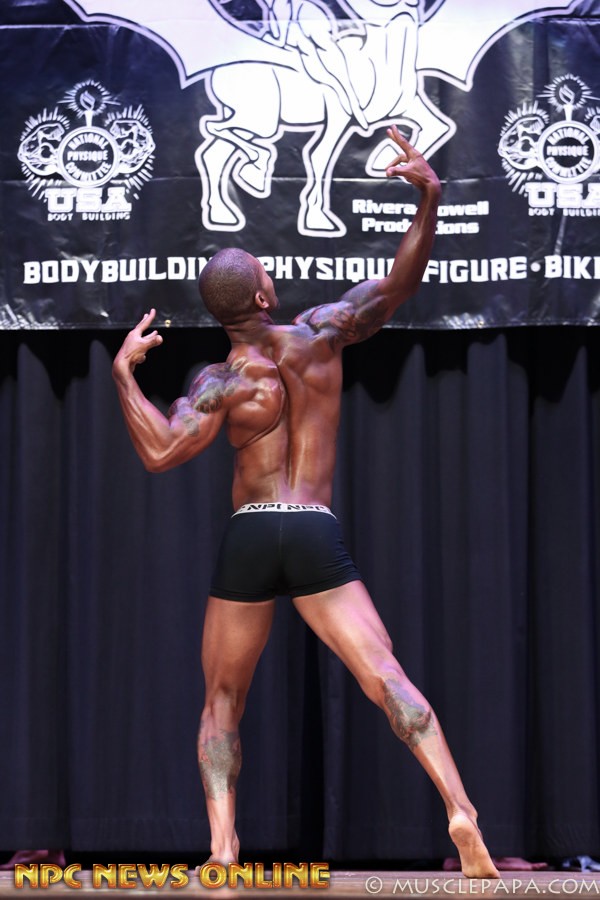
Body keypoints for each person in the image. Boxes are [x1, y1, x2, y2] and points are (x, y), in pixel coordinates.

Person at [112, 126, 499, 879]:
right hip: (313, 530)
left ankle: (223, 848)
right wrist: (429, 199)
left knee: (222, 700)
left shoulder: (219, 381)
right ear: (263, 296)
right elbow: (398, 286)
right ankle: (460, 810)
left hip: (250, 537)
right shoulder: (321, 334)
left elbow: (159, 452)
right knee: (385, 675)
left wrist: (125, 375)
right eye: (266, 273)